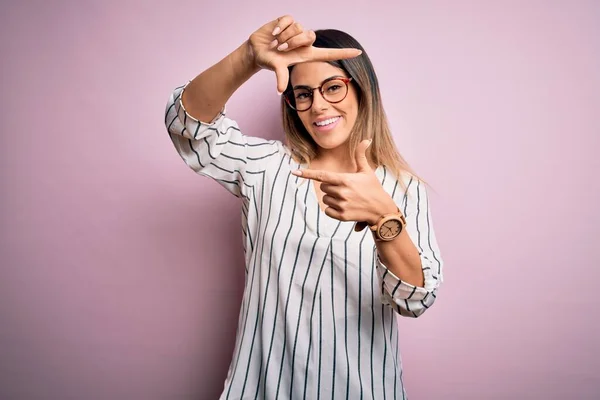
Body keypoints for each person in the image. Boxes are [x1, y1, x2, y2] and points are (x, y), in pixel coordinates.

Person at [164, 15, 444, 400]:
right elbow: (187, 127)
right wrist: (248, 56)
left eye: (333, 87)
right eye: (303, 94)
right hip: (261, 389)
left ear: (363, 89)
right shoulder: (267, 167)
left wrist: (384, 219)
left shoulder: (404, 189)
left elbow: (416, 299)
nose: (318, 105)